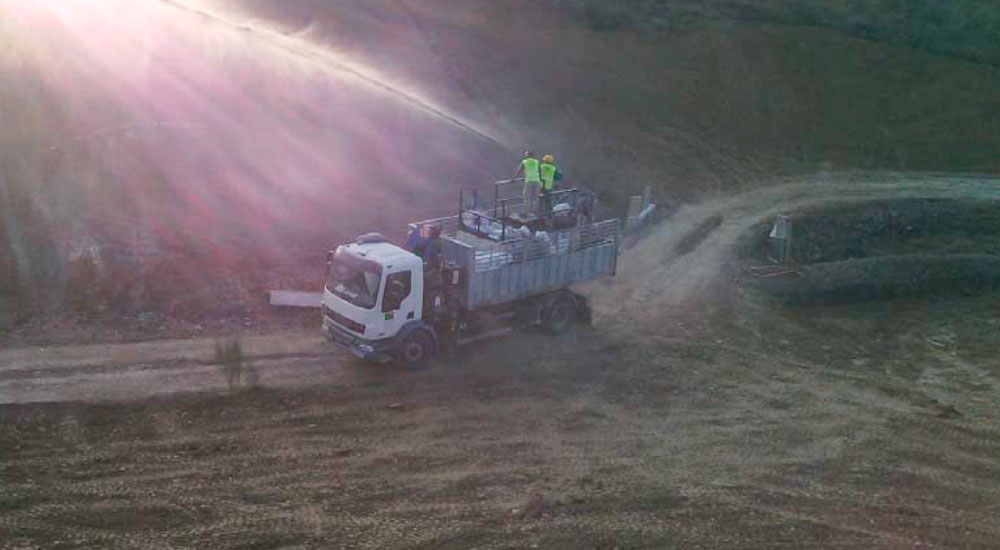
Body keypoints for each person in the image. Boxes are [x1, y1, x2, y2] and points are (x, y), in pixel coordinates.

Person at [511, 150, 541, 217]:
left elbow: (518, 171)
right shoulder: (537, 161)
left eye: (526, 154)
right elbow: (539, 171)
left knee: (527, 197)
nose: (525, 155)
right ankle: (535, 212)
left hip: (529, 181)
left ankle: (526, 213)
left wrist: (513, 179)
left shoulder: (524, 162)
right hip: (537, 180)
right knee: (536, 197)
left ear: (528, 155)